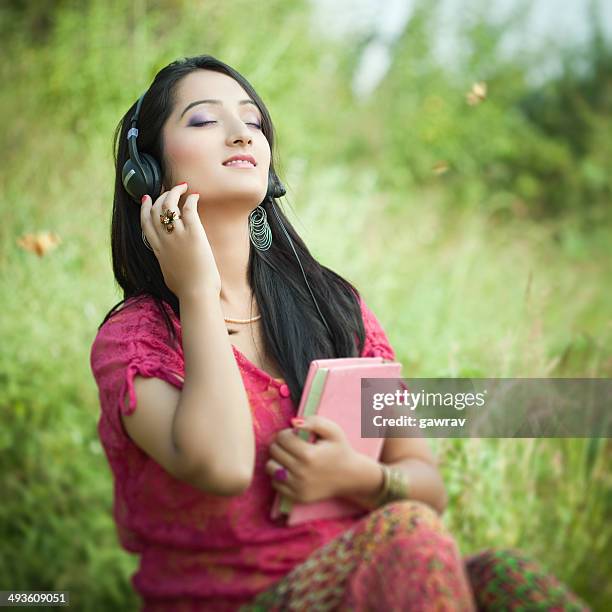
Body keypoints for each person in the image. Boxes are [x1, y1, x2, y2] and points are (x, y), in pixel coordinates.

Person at [90, 54, 590, 611]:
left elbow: (427, 485)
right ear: (147, 172)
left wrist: (361, 477)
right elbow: (224, 467)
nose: (241, 135)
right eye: (205, 121)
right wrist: (198, 292)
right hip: (237, 601)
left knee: (504, 576)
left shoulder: (332, 307)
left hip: (374, 577)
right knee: (406, 539)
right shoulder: (135, 341)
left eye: (253, 122)